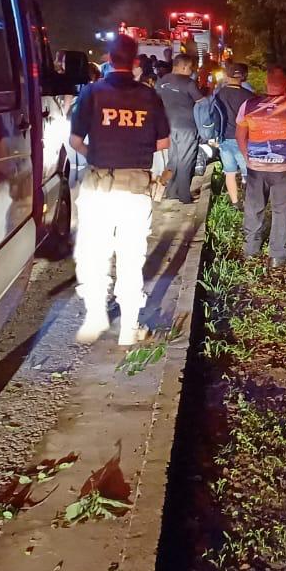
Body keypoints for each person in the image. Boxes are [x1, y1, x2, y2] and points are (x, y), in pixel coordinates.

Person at [69, 34, 170, 346]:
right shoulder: (149, 96)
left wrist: (96, 155)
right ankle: (128, 329)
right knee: (131, 257)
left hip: (98, 187)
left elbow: (74, 141)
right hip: (136, 189)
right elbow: (163, 143)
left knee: (94, 253)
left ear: (108, 59)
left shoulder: (91, 92)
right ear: (136, 61)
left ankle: (96, 317)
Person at [236, 66, 286, 266]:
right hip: (283, 169)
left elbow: (240, 134)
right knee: (281, 210)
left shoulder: (249, 105)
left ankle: (251, 250)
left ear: (266, 83)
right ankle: (277, 255)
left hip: (256, 167)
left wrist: (246, 156)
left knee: (254, 207)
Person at [156, 53, 202, 203]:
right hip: (187, 126)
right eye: (190, 68)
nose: (191, 71)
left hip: (169, 126)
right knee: (186, 161)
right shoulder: (188, 83)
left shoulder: (162, 81)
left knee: (173, 160)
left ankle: (170, 191)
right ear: (183, 67)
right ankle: (184, 195)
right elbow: (201, 102)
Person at [215, 63, 253, 205]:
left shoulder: (219, 94)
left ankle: (235, 202)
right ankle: (250, 202)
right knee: (249, 173)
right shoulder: (249, 96)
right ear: (243, 77)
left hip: (225, 138)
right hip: (244, 139)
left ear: (227, 76)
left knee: (229, 172)